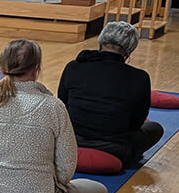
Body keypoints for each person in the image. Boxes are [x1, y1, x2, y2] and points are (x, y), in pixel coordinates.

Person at [0, 39, 109, 193]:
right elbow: (66, 168)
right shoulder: (54, 107)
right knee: (99, 191)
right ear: (36, 69)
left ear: (1, 67)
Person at [58, 21, 163, 167]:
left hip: (71, 142)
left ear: (101, 41)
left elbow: (63, 106)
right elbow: (137, 122)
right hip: (116, 149)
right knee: (154, 128)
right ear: (129, 50)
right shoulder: (140, 77)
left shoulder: (74, 67)